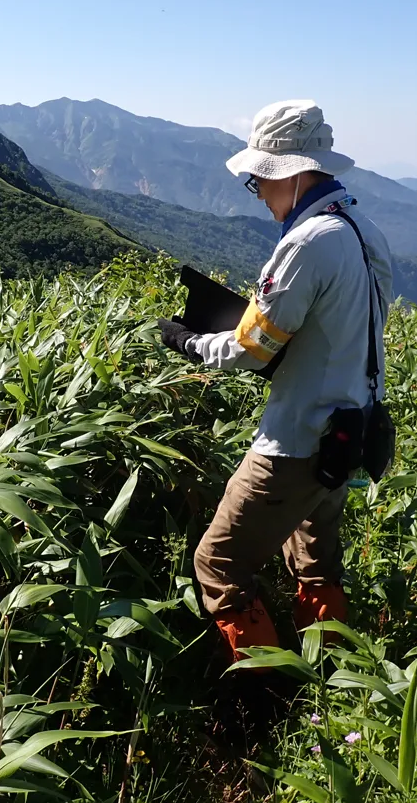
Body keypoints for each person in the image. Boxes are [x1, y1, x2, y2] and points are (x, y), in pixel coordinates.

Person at [158, 99, 393, 664]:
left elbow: (251, 346)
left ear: (291, 173)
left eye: (259, 181)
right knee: (312, 555)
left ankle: (264, 692)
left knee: (218, 564)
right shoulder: (362, 229)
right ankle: (337, 678)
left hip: (296, 440)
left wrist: (189, 342)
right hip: (349, 432)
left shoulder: (307, 242)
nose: (259, 194)